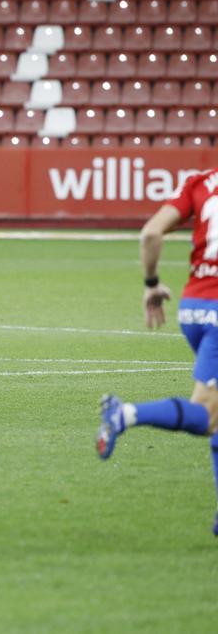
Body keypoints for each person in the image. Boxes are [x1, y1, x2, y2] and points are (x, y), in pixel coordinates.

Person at [96, 166, 218, 534]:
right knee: (208, 414)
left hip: (193, 307)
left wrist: (151, 283)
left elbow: (151, 232)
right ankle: (126, 415)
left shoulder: (201, 181)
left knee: (216, 411)